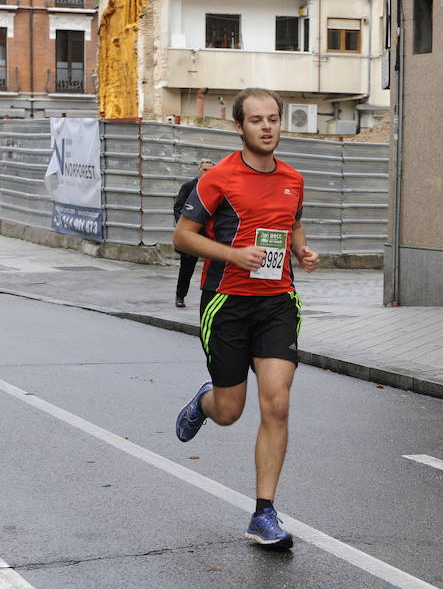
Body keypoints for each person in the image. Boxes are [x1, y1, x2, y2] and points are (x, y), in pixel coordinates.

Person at [172, 87, 320, 549]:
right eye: (256, 119)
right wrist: (234, 255)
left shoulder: (293, 178)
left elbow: (292, 221)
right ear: (240, 127)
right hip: (227, 303)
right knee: (231, 411)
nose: (267, 126)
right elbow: (182, 237)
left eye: (273, 118)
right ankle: (206, 401)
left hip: (278, 301)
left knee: (276, 404)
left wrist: (302, 250)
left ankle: (264, 513)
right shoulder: (218, 178)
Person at [173, 158, 215, 307]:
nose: (207, 173)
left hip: (210, 236)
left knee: (215, 268)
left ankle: (213, 297)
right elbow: (178, 209)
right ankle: (180, 296)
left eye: (210, 171)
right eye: (205, 170)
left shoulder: (217, 187)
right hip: (191, 235)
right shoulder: (189, 186)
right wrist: (185, 228)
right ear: (199, 170)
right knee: (187, 268)